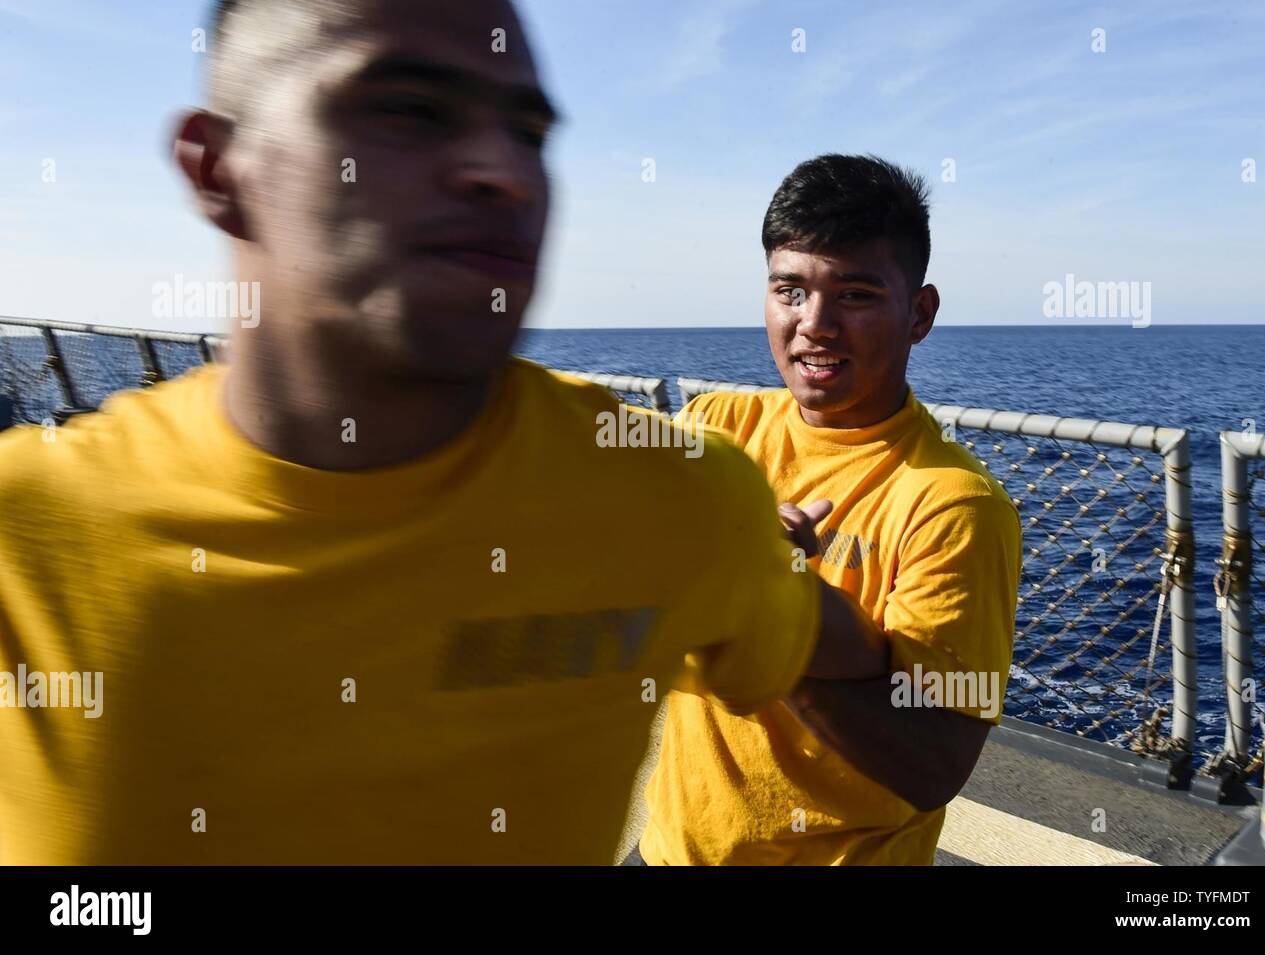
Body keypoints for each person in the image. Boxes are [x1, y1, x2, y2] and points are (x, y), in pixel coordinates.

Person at [0, 3, 880, 864]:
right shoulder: (28, 531)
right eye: (410, 110)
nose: (503, 170)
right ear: (219, 168)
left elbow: (851, 656)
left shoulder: (681, 498)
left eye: (529, 134)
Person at [638, 154, 1024, 866]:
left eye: (854, 294)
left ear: (921, 314)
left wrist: (774, 606)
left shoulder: (954, 505)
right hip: (671, 848)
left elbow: (931, 764)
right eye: (789, 289)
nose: (813, 324)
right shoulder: (714, 423)